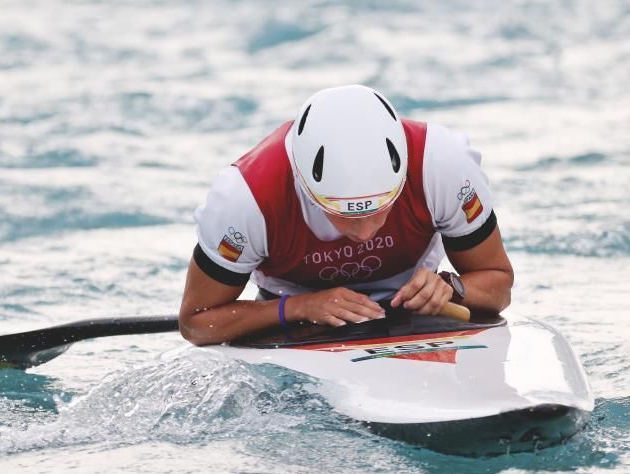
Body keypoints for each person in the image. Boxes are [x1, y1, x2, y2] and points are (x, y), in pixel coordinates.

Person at [179, 84, 513, 345]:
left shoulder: (440, 165)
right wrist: (298, 307)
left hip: (417, 311)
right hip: (295, 321)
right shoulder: (247, 198)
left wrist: (452, 289)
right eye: (342, 214)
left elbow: (499, 284)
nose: (366, 233)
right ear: (304, 188)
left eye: (381, 208)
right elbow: (196, 323)